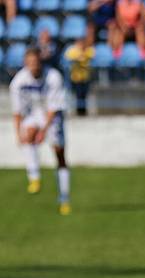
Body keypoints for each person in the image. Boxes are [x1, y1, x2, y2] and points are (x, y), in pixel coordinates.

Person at [10, 47, 72, 215]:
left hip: (52, 115)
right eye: (30, 63)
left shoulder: (53, 77)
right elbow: (17, 111)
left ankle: (64, 198)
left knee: (59, 154)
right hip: (34, 113)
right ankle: (34, 176)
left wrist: (44, 131)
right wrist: (18, 133)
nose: (34, 66)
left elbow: (54, 107)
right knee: (28, 135)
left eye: (36, 62)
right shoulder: (18, 82)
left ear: (41, 61)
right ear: (25, 63)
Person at [64, 36, 95, 116]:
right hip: (75, 78)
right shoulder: (72, 51)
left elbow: (92, 57)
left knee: (84, 95)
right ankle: (77, 112)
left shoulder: (89, 50)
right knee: (77, 95)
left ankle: (83, 112)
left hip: (86, 78)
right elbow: (68, 58)